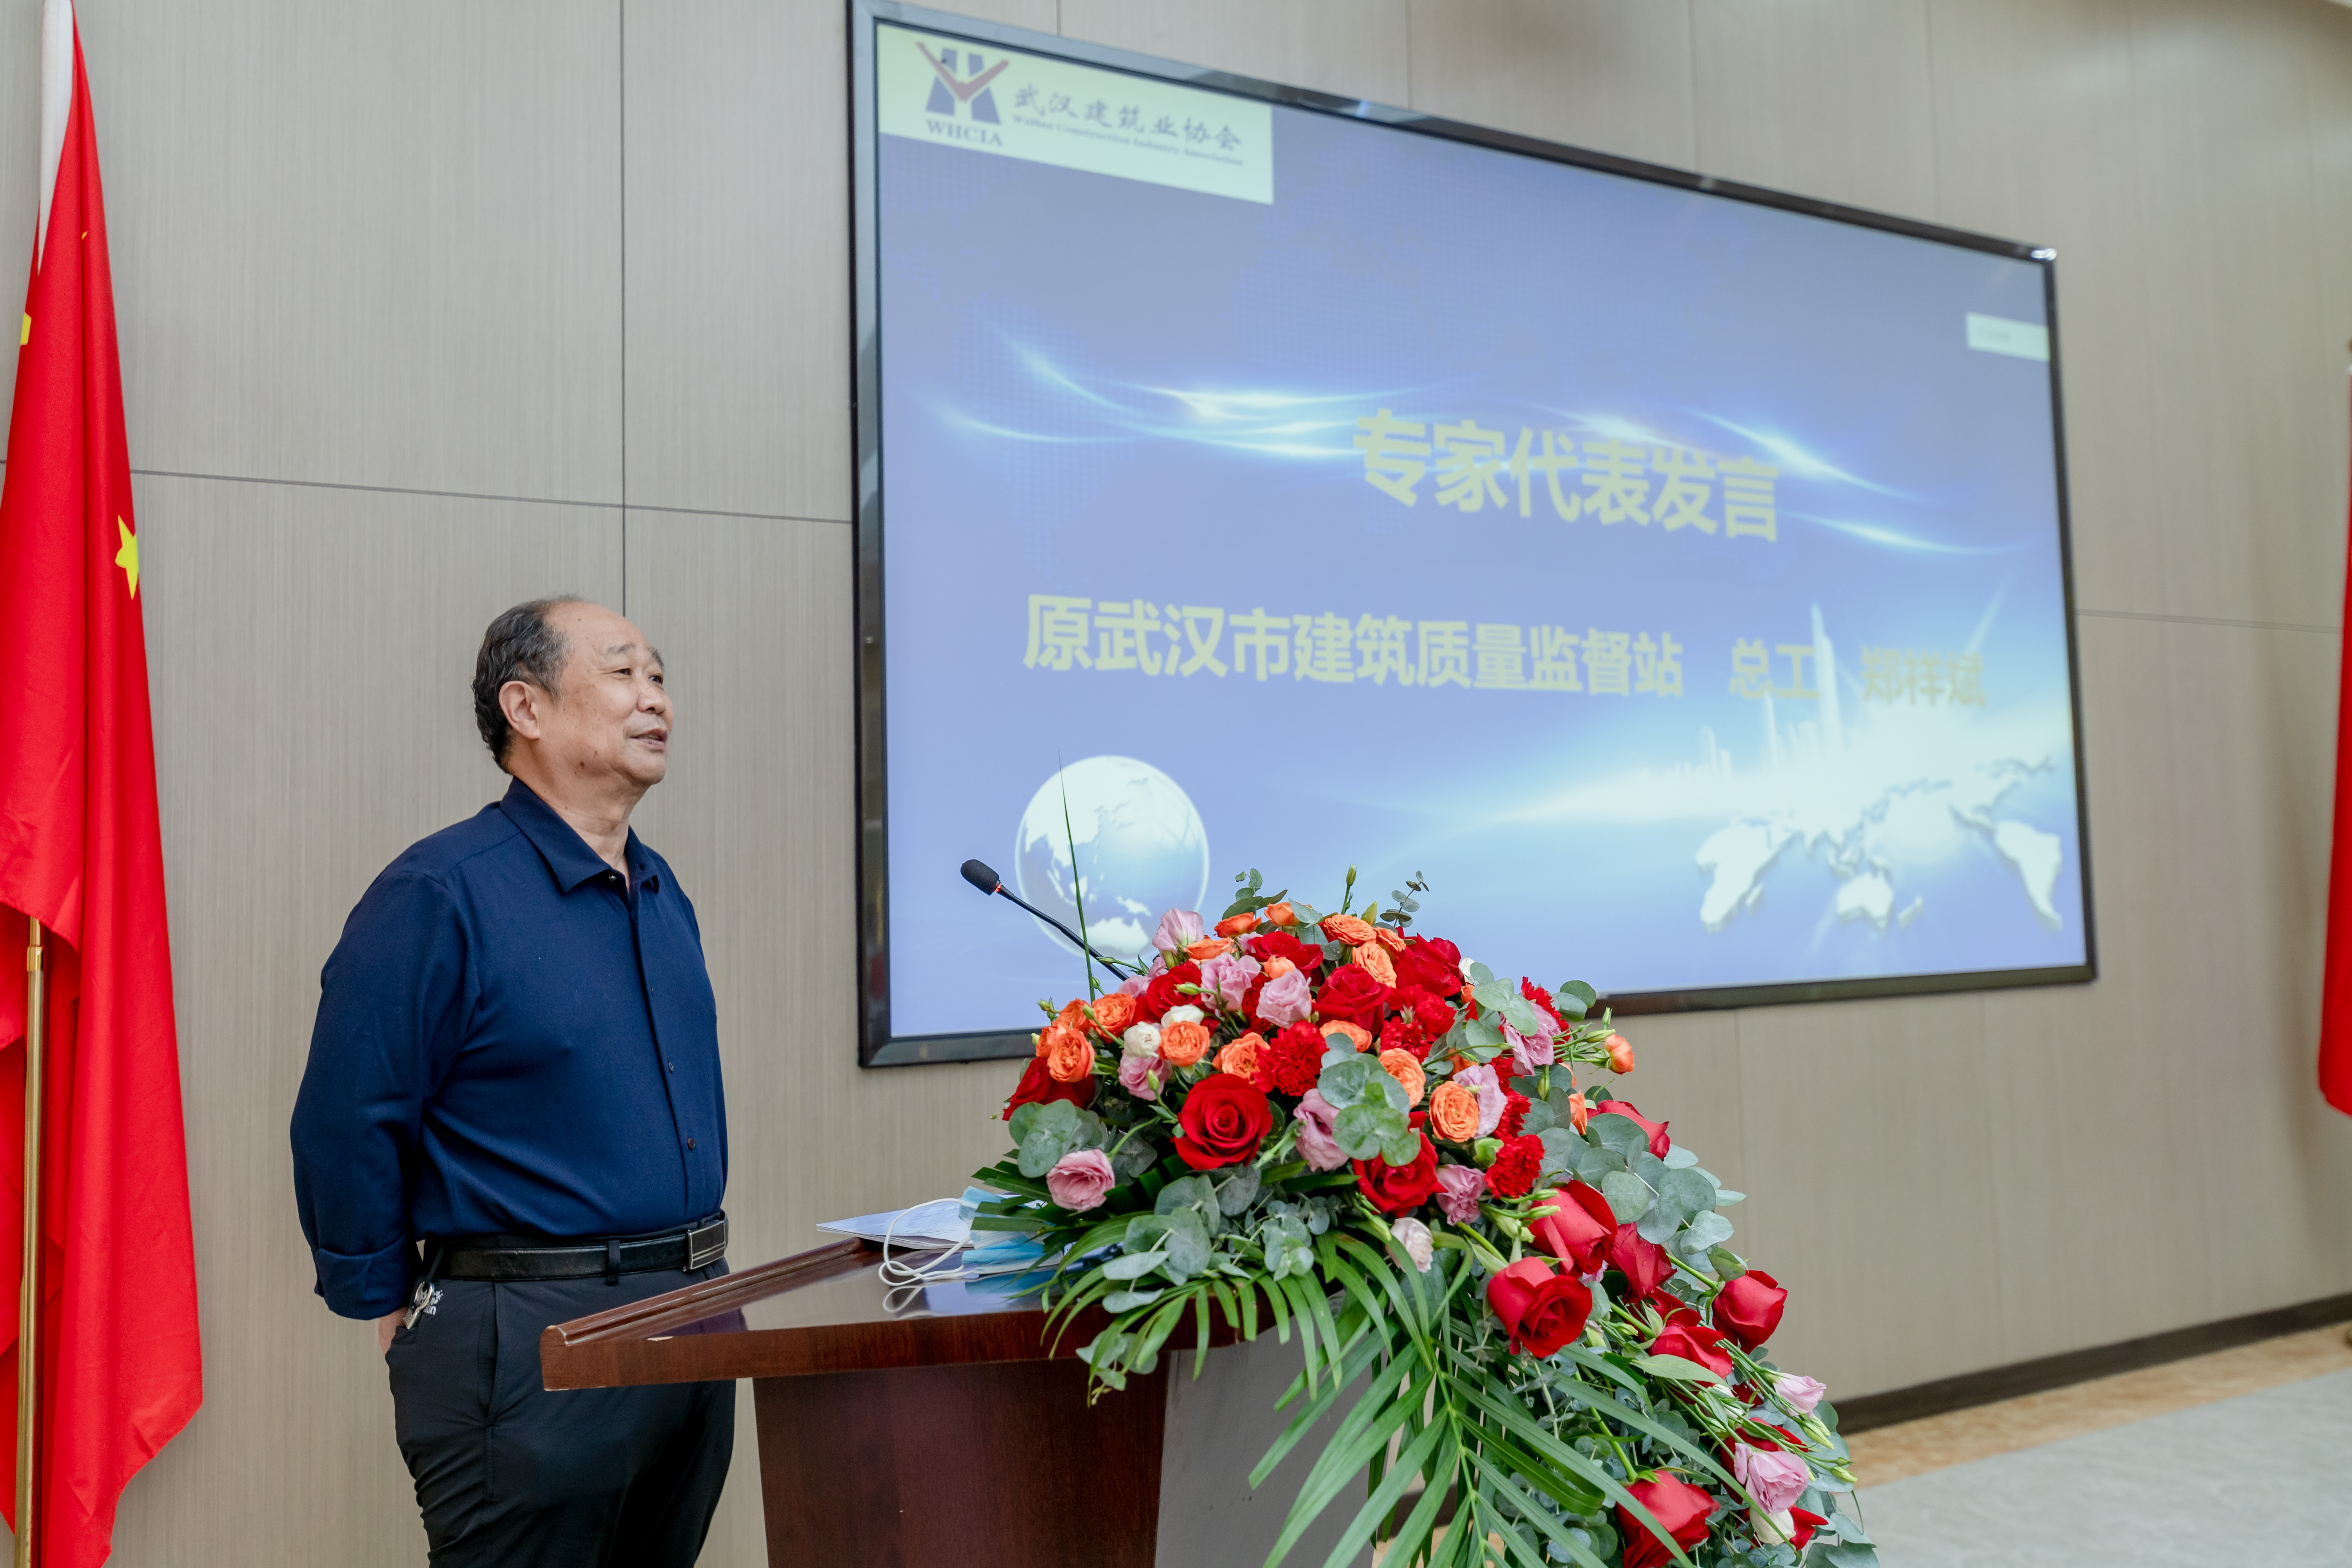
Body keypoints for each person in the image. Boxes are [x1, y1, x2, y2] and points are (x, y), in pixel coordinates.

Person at [291, 597, 732, 1565]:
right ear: (525, 708)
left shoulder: (660, 889)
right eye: (623, 672)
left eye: (659, 676)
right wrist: (385, 1296)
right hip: (533, 1332)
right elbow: (349, 1111)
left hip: (697, 1316)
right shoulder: (440, 891)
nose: (655, 699)